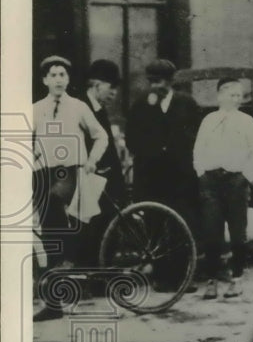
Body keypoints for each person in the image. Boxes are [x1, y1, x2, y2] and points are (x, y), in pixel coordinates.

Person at [32, 56, 108, 320]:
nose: (58, 79)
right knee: (46, 234)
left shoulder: (78, 107)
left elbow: (101, 135)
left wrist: (92, 160)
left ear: (68, 79)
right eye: (53, 75)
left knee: (54, 201)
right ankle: (54, 305)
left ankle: (69, 256)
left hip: (68, 172)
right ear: (45, 80)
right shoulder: (35, 109)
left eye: (62, 74)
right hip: (41, 172)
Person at [193, 77, 253, 299]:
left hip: (236, 181)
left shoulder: (247, 122)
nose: (236, 99)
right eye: (231, 95)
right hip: (211, 182)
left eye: (239, 95)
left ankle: (237, 279)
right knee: (212, 232)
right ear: (220, 96)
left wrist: (247, 177)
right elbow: (198, 149)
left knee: (238, 233)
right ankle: (212, 281)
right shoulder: (209, 120)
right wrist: (201, 173)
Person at [126, 59, 202, 243]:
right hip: (151, 177)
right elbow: (131, 139)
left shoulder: (187, 104)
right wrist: (151, 151)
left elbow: (197, 137)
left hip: (180, 177)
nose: (154, 86)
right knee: (154, 226)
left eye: (158, 82)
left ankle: (183, 258)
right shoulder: (140, 104)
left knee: (181, 225)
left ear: (170, 81)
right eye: (151, 82)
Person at [77, 59, 126, 268]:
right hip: (90, 178)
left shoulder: (99, 108)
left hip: (103, 180)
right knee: (91, 229)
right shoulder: (82, 107)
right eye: (111, 87)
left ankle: (100, 273)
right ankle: (93, 273)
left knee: (105, 227)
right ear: (96, 85)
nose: (114, 93)